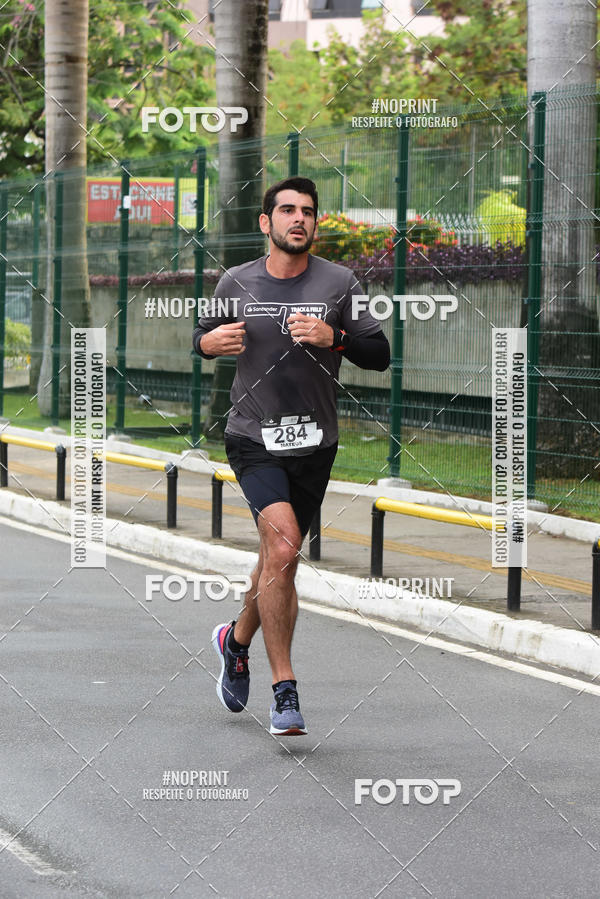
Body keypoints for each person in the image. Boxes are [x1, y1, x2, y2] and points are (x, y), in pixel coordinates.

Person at [193, 176, 390, 736]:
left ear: (315, 224)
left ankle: (234, 641)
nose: (298, 219)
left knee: (276, 560)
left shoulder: (341, 283)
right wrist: (207, 344)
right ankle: (285, 691)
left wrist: (337, 339)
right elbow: (203, 335)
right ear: (267, 223)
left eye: (307, 212)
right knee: (282, 546)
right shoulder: (236, 281)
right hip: (253, 438)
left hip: (314, 444)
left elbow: (379, 355)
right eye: (287, 210)